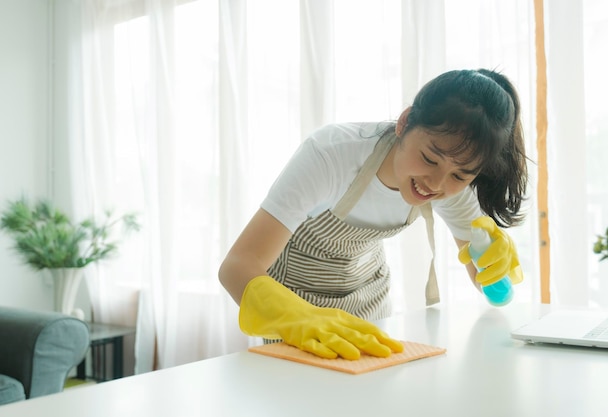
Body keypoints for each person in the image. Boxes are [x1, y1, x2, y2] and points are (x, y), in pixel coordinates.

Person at [219, 69, 528, 361]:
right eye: (429, 159)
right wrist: (295, 317)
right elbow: (237, 265)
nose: (436, 184)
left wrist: (494, 268)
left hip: (370, 301)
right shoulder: (330, 154)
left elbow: (486, 285)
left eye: (460, 176)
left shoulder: (453, 185)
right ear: (405, 123)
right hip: (298, 311)